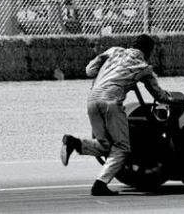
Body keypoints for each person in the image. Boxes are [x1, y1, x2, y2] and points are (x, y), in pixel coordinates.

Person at [60, 34, 176, 196]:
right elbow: (160, 96)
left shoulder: (113, 51)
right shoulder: (143, 66)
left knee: (106, 146)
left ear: (132, 45)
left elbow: (89, 71)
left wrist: (110, 72)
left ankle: (74, 143)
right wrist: (173, 98)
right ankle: (100, 184)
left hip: (92, 99)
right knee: (122, 147)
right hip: (111, 103)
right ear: (149, 51)